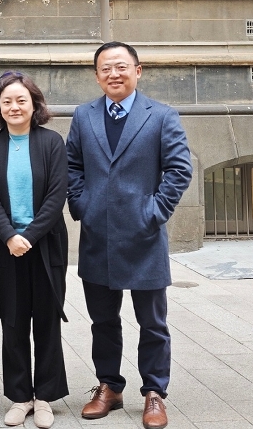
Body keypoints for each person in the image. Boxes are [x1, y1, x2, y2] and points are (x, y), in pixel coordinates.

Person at [66, 42, 192, 429]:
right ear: (96, 76)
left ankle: (154, 392)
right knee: (103, 321)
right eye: (106, 68)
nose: (114, 74)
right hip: (98, 236)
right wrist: (83, 206)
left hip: (144, 237)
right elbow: (72, 166)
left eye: (121, 66)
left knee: (152, 322)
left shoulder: (161, 116)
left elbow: (179, 169)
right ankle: (109, 386)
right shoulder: (84, 115)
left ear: (138, 71)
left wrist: (154, 212)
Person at [0, 71, 69, 429]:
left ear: (34, 104)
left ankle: (44, 397)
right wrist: (9, 236)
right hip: (7, 248)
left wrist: (28, 236)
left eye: (21, 100)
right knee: (13, 323)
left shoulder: (51, 142)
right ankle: (20, 397)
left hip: (45, 244)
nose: (14, 107)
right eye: (7, 101)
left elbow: (57, 195)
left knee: (46, 321)